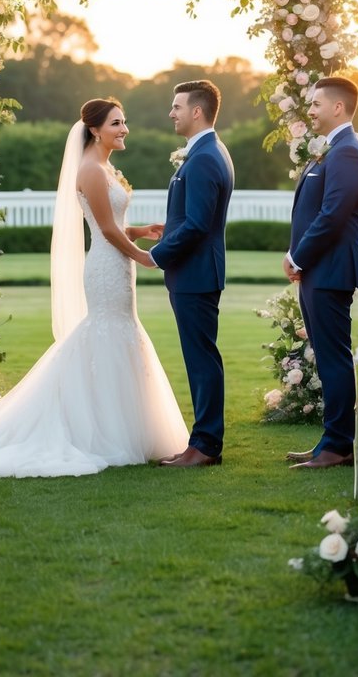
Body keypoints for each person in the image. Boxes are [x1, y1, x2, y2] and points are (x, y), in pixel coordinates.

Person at [0, 99, 188, 477]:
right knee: (106, 331)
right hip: (108, 267)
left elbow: (110, 223)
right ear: (95, 129)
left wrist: (140, 232)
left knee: (118, 333)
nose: (124, 129)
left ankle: (120, 426)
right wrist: (143, 256)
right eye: (116, 123)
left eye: (124, 122)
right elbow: (106, 231)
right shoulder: (91, 169)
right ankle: (100, 431)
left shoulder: (106, 168)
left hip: (116, 262)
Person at [283, 76, 358, 470]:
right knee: (327, 357)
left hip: (330, 269)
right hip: (320, 269)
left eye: (317, 104)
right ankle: (328, 443)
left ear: (338, 107)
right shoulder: (334, 149)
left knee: (334, 358)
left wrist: (298, 257)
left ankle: (338, 445)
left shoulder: (348, 151)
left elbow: (333, 214)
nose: (311, 111)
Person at [148, 79, 234, 468]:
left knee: (202, 361)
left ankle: (205, 446)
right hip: (197, 271)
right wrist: (168, 228)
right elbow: (194, 217)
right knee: (201, 359)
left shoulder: (203, 158)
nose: (171, 112)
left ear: (196, 111)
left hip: (196, 273)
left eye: (177, 106)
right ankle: (201, 442)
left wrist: (157, 254)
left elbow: (199, 224)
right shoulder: (208, 152)